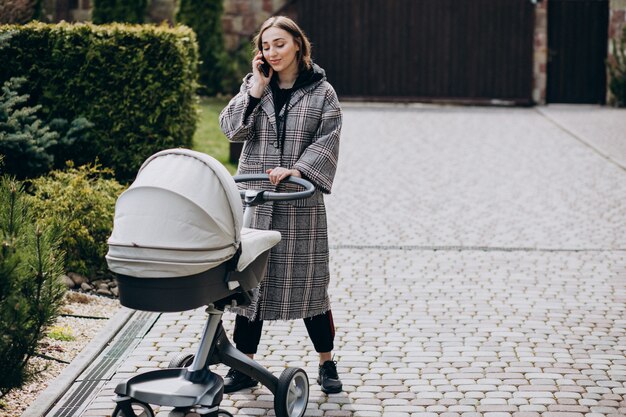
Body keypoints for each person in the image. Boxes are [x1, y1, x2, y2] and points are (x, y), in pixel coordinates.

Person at [219, 15, 342, 394]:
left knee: (310, 286)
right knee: (250, 284)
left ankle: (327, 364)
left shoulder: (323, 93)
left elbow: (328, 139)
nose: (272, 52)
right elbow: (231, 129)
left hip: (300, 203)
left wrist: (297, 170)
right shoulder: (254, 86)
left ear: (298, 46)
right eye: (266, 46)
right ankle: (244, 367)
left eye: (280, 44)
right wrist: (255, 90)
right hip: (257, 198)